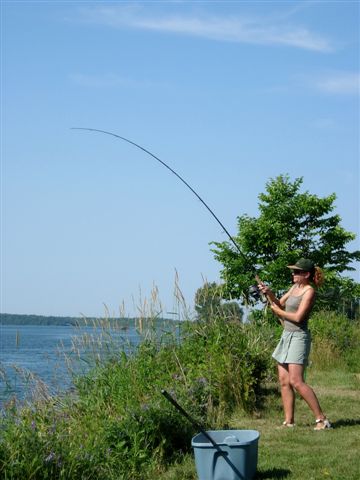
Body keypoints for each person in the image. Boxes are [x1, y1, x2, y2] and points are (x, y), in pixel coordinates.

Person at [257, 258, 331, 430]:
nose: (293, 274)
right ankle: (289, 421)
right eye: (293, 271)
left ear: (306, 274)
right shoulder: (294, 288)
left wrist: (278, 311)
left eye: (297, 272)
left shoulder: (309, 291)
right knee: (284, 380)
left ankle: (321, 419)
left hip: (299, 337)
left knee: (296, 381)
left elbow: (298, 317)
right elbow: (278, 304)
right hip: (286, 336)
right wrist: (269, 293)